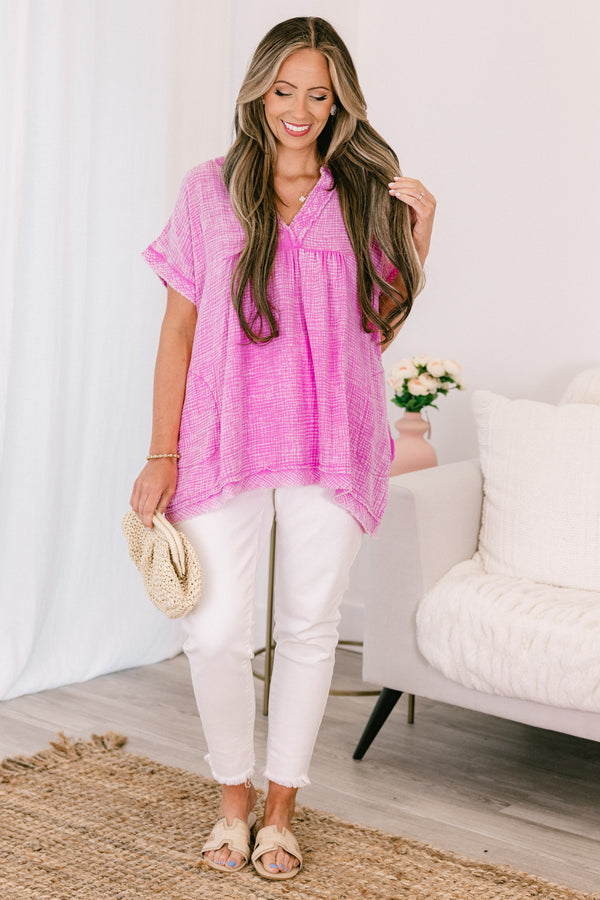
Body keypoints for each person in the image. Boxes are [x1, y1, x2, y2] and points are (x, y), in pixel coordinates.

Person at [130, 15, 435, 881]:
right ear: (258, 93)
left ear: (339, 103)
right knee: (215, 631)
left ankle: (278, 814)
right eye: (283, 90)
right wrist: (161, 453)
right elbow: (178, 330)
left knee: (308, 627)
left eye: (318, 94)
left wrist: (419, 238)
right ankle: (231, 800)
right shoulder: (209, 190)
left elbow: (377, 326)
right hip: (222, 435)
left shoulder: (363, 193)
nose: (299, 110)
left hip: (331, 436)